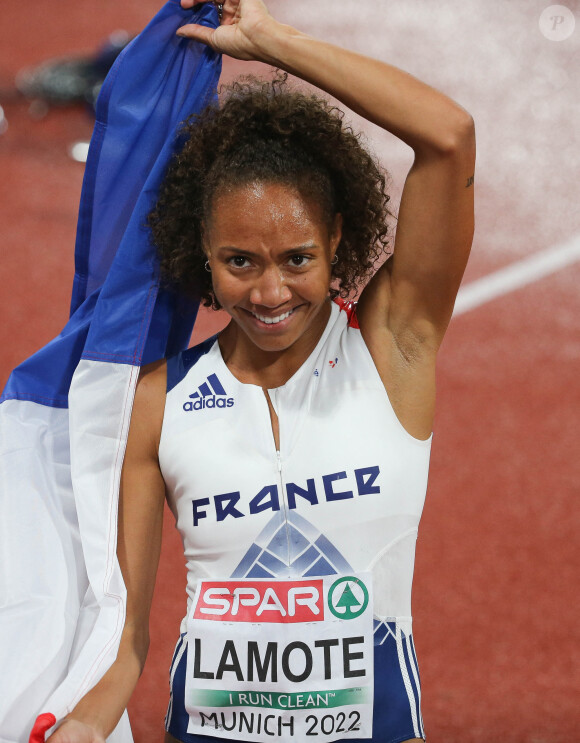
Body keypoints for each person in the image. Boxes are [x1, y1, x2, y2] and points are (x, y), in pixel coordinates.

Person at [46, 0, 475, 741]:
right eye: (239, 261)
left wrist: (272, 42)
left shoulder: (390, 349)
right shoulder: (160, 400)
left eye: (297, 258)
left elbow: (449, 137)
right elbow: (126, 645)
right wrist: (86, 721)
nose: (271, 292)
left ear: (337, 238)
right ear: (201, 254)